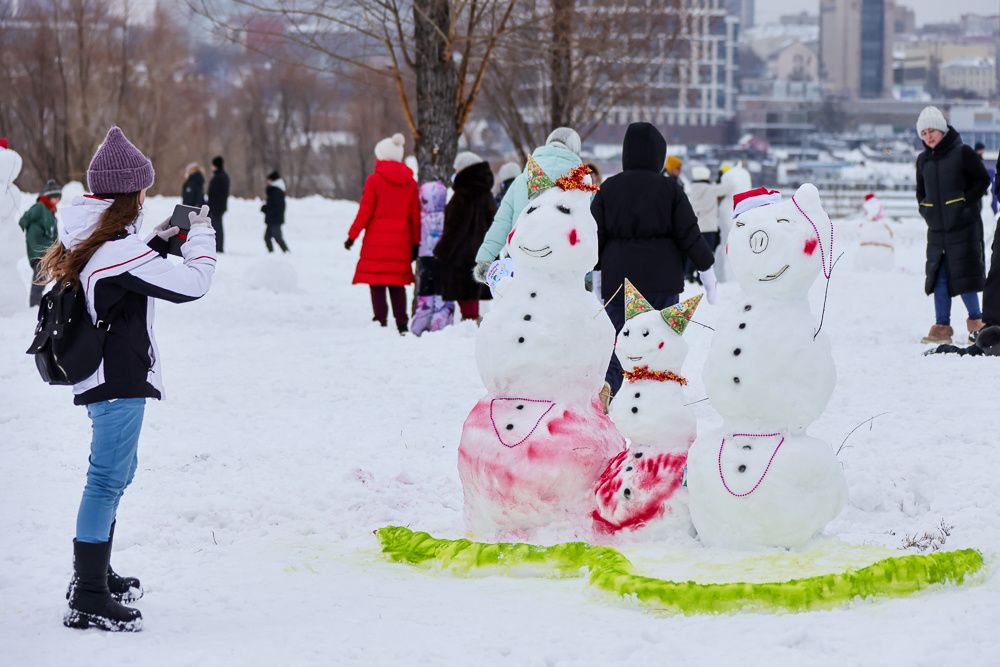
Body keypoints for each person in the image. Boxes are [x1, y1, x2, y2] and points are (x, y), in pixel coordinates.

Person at [33, 127, 216, 632]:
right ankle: (88, 594)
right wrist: (200, 234)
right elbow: (193, 284)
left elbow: (126, 270)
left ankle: (95, 575)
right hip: (116, 381)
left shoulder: (91, 235)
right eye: (141, 190)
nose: (144, 198)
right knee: (106, 480)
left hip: (104, 377)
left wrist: (160, 238)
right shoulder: (114, 249)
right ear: (127, 193)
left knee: (115, 476)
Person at [592, 122, 716, 402]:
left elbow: (595, 236)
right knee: (659, 341)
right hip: (661, 282)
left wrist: (597, 277)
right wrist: (707, 271)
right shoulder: (670, 189)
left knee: (618, 341)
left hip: (617, 282)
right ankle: (656, 399)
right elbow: (690, 234)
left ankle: (609, 385)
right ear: (659, 155)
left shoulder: (608, 188)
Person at [914, 106, 991, 345]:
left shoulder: (963, 152)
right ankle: (941, 327)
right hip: (937, 231)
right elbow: (920, 193)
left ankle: (977, 324)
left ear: (942, 129)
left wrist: (965, 204)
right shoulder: (923, 160)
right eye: (924, 132)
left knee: (964, 274)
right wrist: (927, 211)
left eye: (932, 130)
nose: (928, 136)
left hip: (964, 227)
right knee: (938, 277)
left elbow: (983, 180)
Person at [474, 127, 583, 278]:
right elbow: (586, 232)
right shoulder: (579, 185)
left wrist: (485, 259)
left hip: (522, 261)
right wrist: (587, 275)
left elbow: (502, 222)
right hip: (563, 266)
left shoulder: (520, 181)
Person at [344, 133, 420, 334]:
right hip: (402, 243)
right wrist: (415, 244)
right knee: (397, 284)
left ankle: (380, 321)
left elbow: (365, 212)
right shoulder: (411, 183)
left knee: (376, 282)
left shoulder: (374, 180)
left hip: (375, 243)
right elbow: (415, 217)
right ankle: (402, 323)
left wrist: (352, 236)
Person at [436, 152, 495, 322]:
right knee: (472, 296)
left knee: (467, 300)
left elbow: (455, 228)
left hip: (462, 256)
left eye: (456, 169)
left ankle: (470, 329)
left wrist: (442, 251)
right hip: (481, 253)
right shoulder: (486, 194)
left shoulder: (463, 195)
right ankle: (471, 326)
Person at [19, 179, 61, 306]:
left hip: (47, 249)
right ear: (52, 196)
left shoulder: (50, 212)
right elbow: (25, 218)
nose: (58, 200)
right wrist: (16, 233)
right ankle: (35, 304)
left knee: (54, 272)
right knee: (41, 274)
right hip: (38, 247)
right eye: (57, 197)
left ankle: (58, 300)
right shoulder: (40, 207)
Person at [684, 165, 728, 282]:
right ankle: (701, 277)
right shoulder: (711, 189)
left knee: (696, 251)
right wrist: (723, 175)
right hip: (709, 226)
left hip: (696, 226)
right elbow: (729, 188)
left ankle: (688, 273)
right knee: (707, 254)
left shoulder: (693, 189)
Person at [261, 170, 289, 253]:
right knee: (267, 237)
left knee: (277, 237)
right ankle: (271, 253)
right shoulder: (275, 191)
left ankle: (286, 251)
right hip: (273, 218)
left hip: (275, 219)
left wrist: (266, 209)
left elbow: (276, 206)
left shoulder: (276, 192)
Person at [207, 156, 229, 253]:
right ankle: (218, 245)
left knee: (216, 228)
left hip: (216, 207)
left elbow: (214, 194)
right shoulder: (224, 176)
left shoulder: (218, 178)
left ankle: (218, 246)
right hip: (220, 206)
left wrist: (210, 205)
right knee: (218, 227)